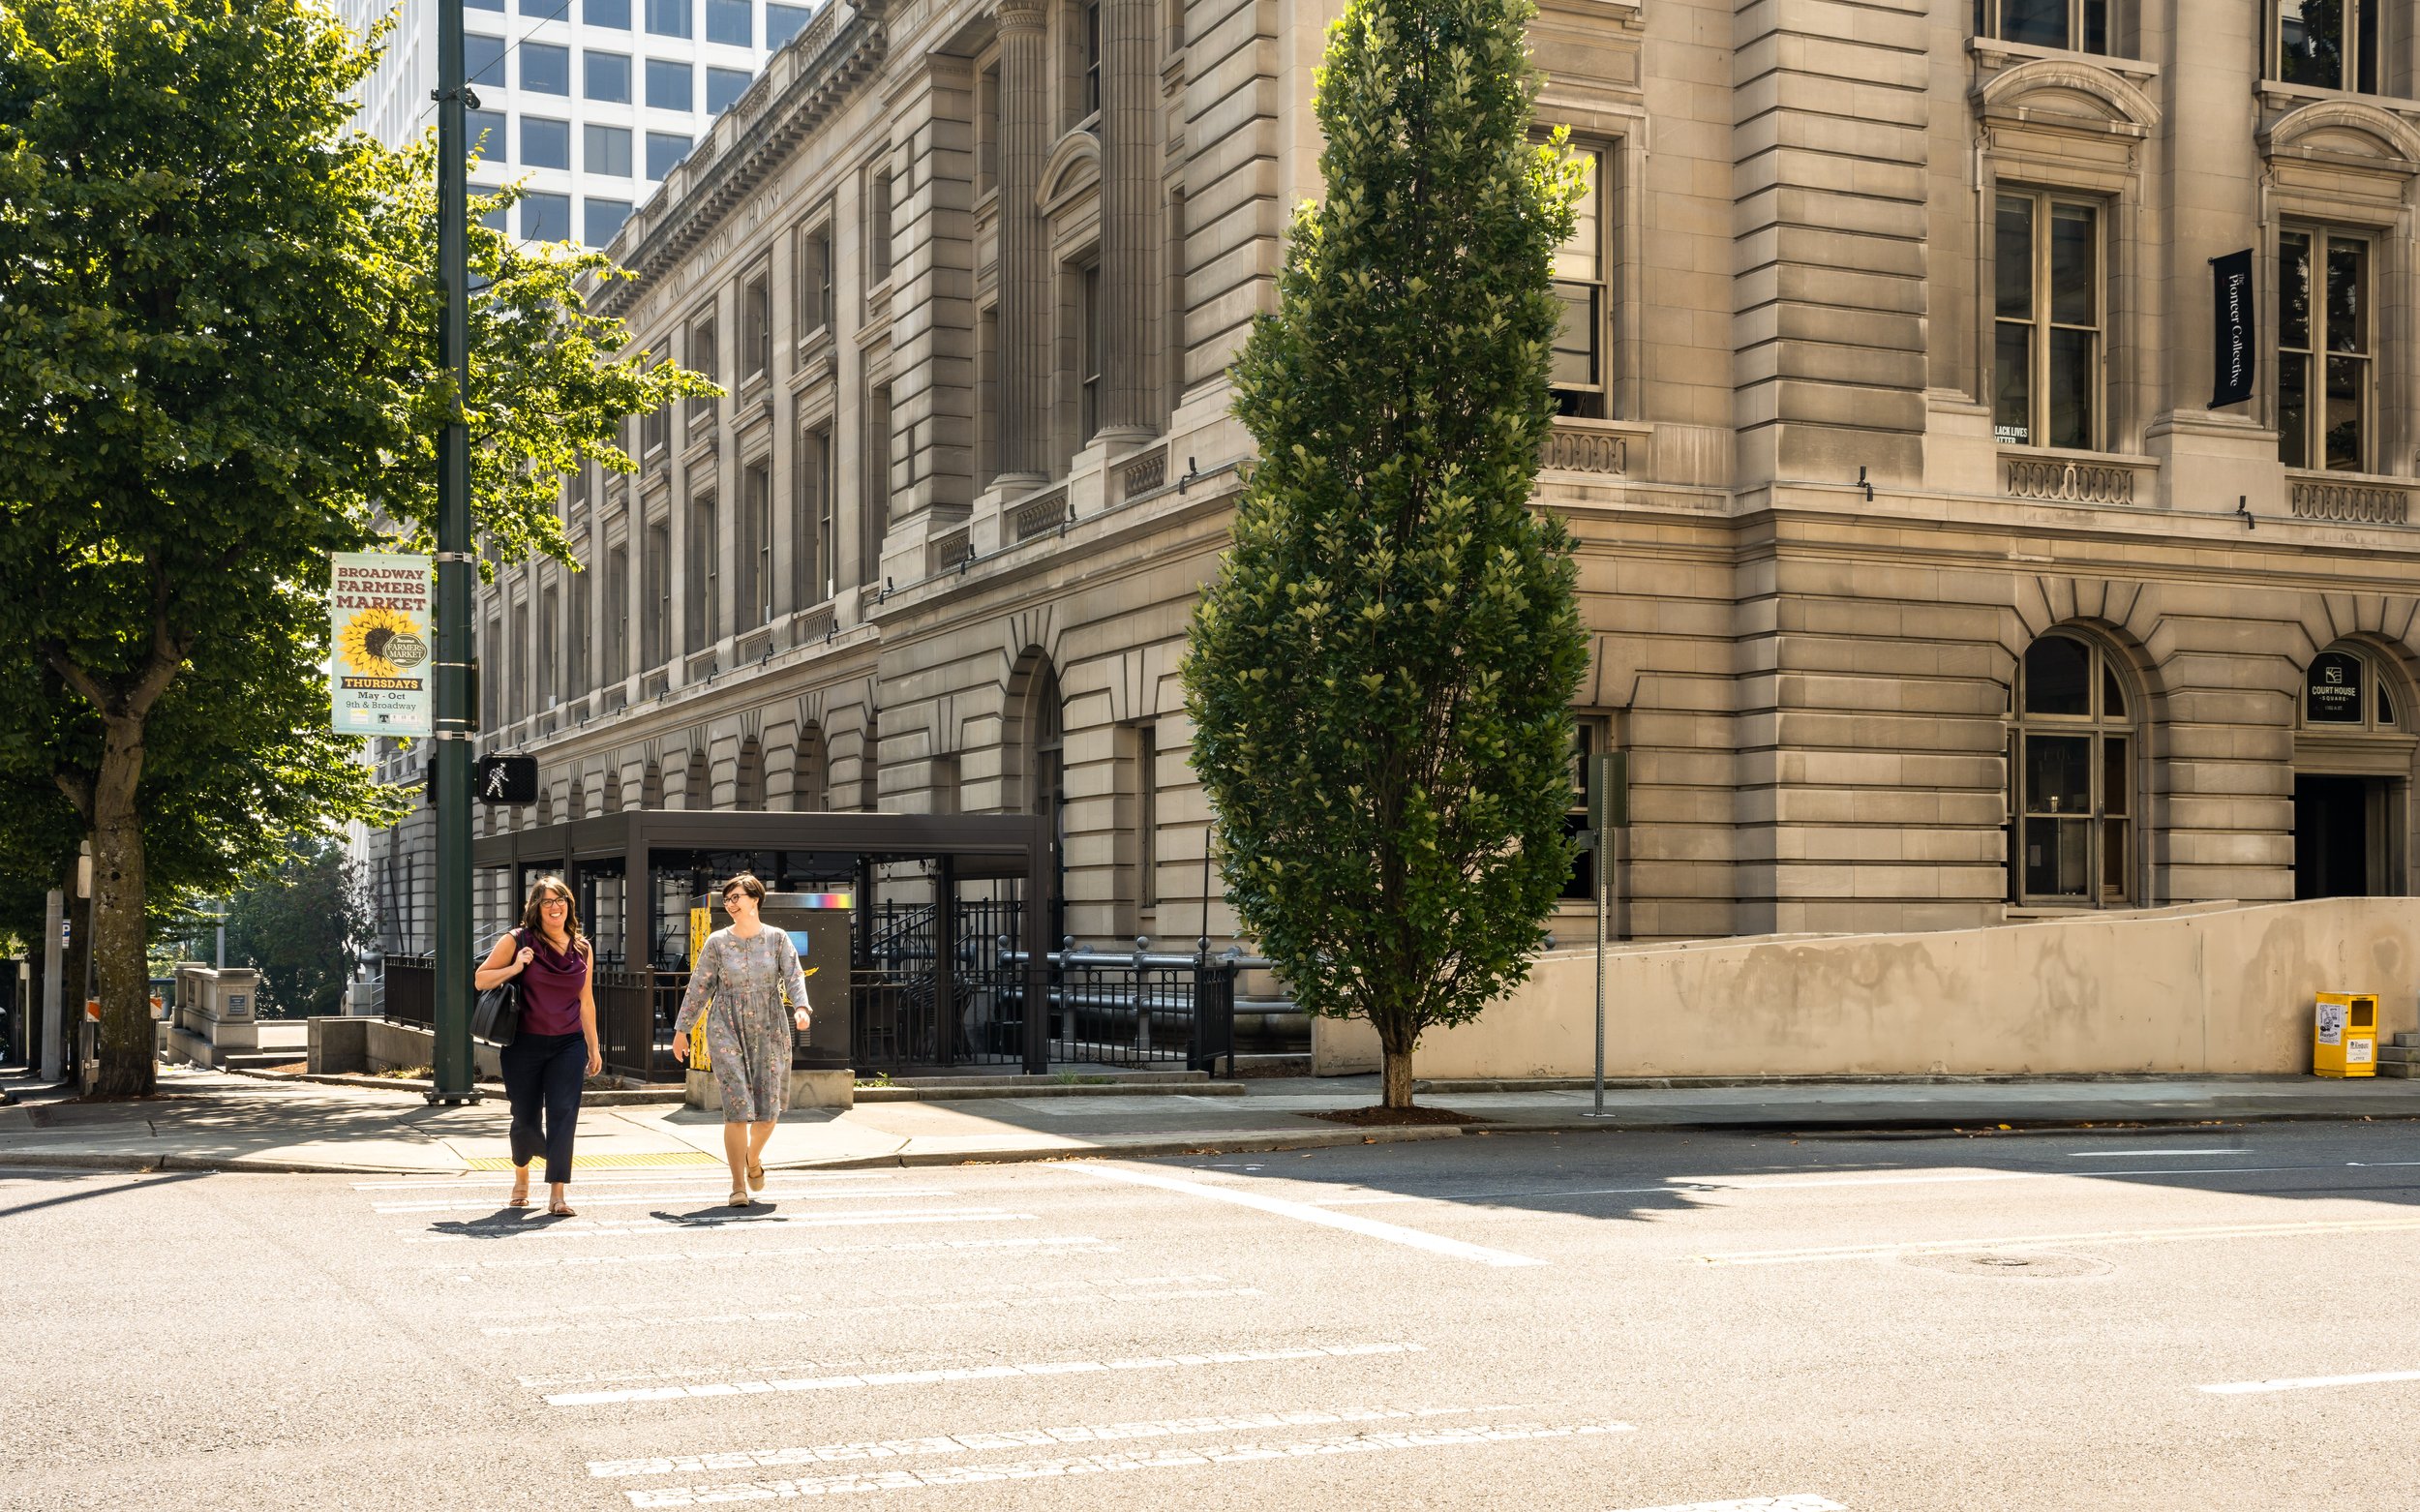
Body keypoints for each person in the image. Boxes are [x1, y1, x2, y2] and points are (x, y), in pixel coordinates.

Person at [673, 873, 811, 1207]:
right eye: (728, 899)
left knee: (768, 1112)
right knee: (736, 1110)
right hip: (726, 1028)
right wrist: (682, 1029)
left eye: (737, 897)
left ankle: (753, 1158)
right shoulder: (717, 942)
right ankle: (737, 1185)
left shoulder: (777, 939)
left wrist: (803, 1007)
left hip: (769, 1028)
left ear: (755, 899)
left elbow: (793, 975)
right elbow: (700, 986)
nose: (731, 904)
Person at [474, 876, 601, 1216]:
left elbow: (585, 1001)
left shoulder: (582, 948)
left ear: (569, 905)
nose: (555, 906)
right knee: (525, 1117)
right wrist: (517, 966)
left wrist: (594, 1046)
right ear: (535, 907)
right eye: (547, 901)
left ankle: (557, 1193)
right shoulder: (517, 940)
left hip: (568, 1043)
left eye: (560, 900)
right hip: (523, 1043)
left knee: (563, 1114)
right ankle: (521, 1176)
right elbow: (481, 979)